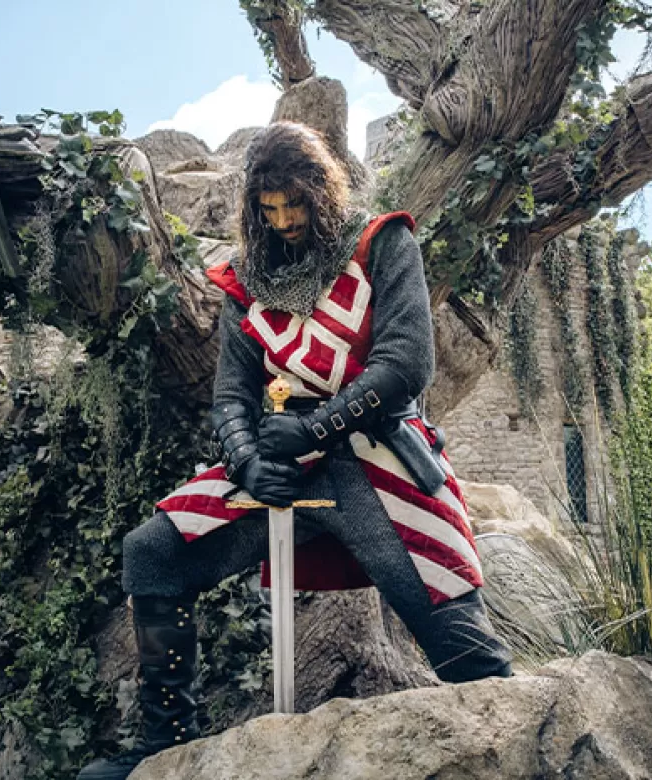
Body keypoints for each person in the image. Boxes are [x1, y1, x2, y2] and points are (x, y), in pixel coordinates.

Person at [78, 121, 512, 780]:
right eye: (268, 209)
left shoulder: (381, 244)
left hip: (380, 453)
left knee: (465, 650)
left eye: (294, 205)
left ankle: (519, 740)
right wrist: (248, 457)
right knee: (152, 552)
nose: (282, 221)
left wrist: (316, 428)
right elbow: (230, 395)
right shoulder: (245, 282)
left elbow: (406, 364)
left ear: (320, 192)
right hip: (281, 463)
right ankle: (162, 747)